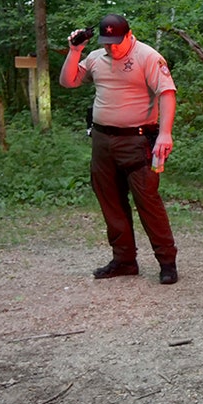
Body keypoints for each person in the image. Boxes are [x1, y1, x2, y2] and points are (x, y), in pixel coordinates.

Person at [60, 14, 179, 285]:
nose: (112, 48)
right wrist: (75, 49)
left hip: (137, 141)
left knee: (148, 201)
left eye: (116, 42)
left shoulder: (147, 56)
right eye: (107, 42)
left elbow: (167, 93)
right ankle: (124, 260)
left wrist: (165, 134)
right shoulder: (95, 58)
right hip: (102, 141)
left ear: (129, 34)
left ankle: (167, 261)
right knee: (111, 201)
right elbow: (69, 81)